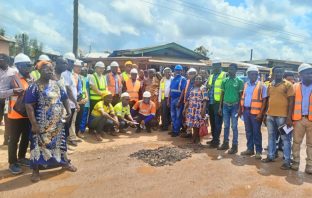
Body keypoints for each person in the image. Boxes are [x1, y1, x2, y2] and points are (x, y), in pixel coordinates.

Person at [25, 61, 76, 182]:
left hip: (58, 123)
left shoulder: (57, 84)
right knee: (37, 145)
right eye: (46, 69)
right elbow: (29, 106)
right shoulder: (34, 86)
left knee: (60, 143)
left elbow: (64, 98)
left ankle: (64, 163)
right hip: (41, 124)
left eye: (51, 69)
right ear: (39, 71)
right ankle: (36, 170)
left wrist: (68, 112)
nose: (50, 71)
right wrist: (34, 124)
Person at [262, 66, 294, 170]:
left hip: (283, 117)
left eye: (280, 72)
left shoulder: (288, 85)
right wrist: (266, 114)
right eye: (276, 72)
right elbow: (268, 100)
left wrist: (289, 117)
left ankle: (287, 161)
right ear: (274, 73)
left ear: (283, 73)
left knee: (286, 139)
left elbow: (291, 102)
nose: (278, 74)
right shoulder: (270, 85)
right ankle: (271, 156)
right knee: (271, 137)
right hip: (270, 116)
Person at [7, 53, 32, 175]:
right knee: (14, 140)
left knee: (26, 138)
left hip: (27, 114)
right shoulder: (12, 78)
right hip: (14, 115)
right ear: (19, 66)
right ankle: (12, 163)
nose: (29, 68)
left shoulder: (29, 78)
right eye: (27, 65)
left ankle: (21, 157)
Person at [239, 66, 268, 159]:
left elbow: (264, 101)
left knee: (256, 132)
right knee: (248, 131)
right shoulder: (246, 85)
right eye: (251, 74)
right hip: (246, 111)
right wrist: (241, 110)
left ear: (257, 75)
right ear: (248, 75)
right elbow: (243, 97)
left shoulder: (262, 85)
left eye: (255, 74)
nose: (253, 75)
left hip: (256, 112)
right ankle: (250, 149)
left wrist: (261, 113)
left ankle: (258, 151)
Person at [217, 63, 243, 154]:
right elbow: (222, 94)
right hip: (225, 106)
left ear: (236, 70)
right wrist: (220, 107)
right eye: (229, 69)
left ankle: (235, 146)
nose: (230, 70)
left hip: (235, 106)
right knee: (226, 126)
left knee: (234, 126)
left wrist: (240, 108)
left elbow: (240, 96)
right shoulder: (225, 81)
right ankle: (225, 143)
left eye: (232, 69)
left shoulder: (239, 81)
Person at [291, 63, 312, 174]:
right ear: (300, 75)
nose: (310, 75)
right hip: (298, 119)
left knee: (311, 144)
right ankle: (295, 162)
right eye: (307, 73)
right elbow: (291, 104)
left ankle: (309, 165)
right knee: (296, 142)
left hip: (311, 120)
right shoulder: (294, 87)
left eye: (311, 72)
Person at [0, 53, 21, 145]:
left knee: (7, 120)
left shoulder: (13, 72)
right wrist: (12, 91)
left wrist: (12, 91)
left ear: (7, 61)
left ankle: (6, 139)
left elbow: (19, 87)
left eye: (2, 60)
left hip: (7, 100)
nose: (0, 62)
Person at [62, 52, 80, 147]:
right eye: (71, 62)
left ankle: (65, 142)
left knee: (68, 124)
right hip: (67, 104)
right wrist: (76, 102)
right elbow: (68, 90)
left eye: (73, 62)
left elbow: (73, 88)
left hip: (72, 104)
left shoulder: (71, 74)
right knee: (64, 125)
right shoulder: (64, 73)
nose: (73, 64)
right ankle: (63, 144)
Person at [206, 62, 226, 148]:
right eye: (213, 66)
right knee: (212, 122)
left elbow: (224, 89)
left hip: (218, 103)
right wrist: (207, 85)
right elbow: (208, 86)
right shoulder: (211, 76)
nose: (214, 68)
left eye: (216, 66)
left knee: (218, 122)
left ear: (220, 66)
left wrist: (221, 106)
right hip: (210, 101)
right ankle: (214, 138)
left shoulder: (224, 75)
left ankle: (216, 141)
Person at [184, 75, 208, 144]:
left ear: (202, 80)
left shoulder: (203, 88)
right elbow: (188, 99)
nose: (198, 80)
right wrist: (185, 108)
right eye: (197, 79)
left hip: (199, 109)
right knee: (193, 124)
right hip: (191, 109)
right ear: (194, 80)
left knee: (197, 124)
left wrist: (203, 110)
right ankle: (196, 139)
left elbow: (205, 100)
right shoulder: (192, 88)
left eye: (200, 79)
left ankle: (195, 139)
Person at [169, 65, 187, 137]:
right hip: (172, 99)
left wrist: (179, 101)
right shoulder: (173, 79)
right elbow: (171, 90)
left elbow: (183, 90)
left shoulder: (183, 79)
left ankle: (176, 131)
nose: (177, 71)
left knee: (178, 116)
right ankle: (174, 129)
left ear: (181, 71)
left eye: (179, 70)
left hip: (178, 99)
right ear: (174, 71)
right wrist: (168, 100)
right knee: (173, 115)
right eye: (176, 70)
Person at [73, 60, 88, 139]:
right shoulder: (72, 76)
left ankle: (76, 133)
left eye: (80, 67)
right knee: (73, 120)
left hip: (82, 100)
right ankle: (71, 136)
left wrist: (86, 97)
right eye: (77, 66)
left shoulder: (82, 78)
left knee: (79, 118)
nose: (79, 68)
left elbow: (84, 89)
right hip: (75, 101)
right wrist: (77, 101)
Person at [181, 68, 197, 138]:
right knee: (188, 117)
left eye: (193, 73)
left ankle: (195, 134)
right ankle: (189, 132)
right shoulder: (187, 81)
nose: (191, 75)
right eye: (190, 73)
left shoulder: (197, 82)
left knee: (194, 118)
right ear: (188, 74)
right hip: (187, 102)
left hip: (195, 104)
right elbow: (184, 90)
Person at [78, 67, 90, 138]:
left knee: (84, 116)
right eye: (82, 70)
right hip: (80, 100)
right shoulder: (79, 78)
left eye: (85, 71)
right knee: (80, 117)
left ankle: (82, 130)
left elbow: (86, 90)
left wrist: (87, 98)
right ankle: (79, 131)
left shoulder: (88, 79)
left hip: (86, 100)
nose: (83, 72)